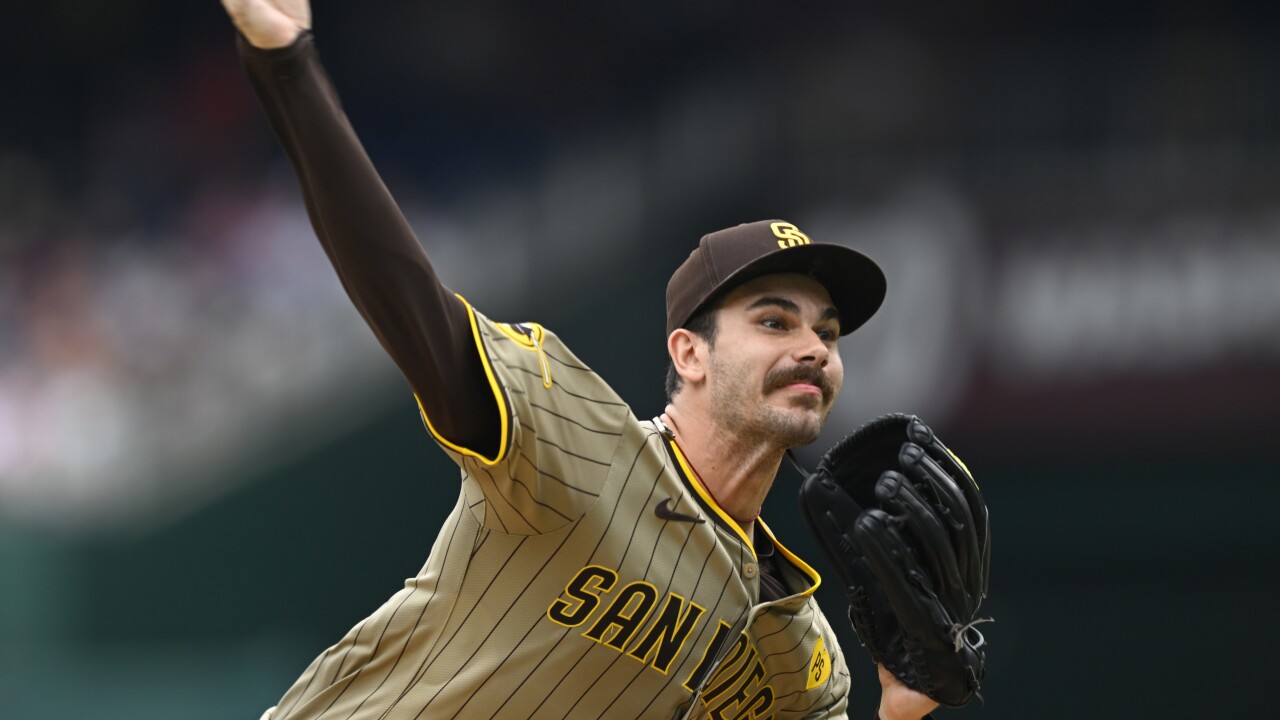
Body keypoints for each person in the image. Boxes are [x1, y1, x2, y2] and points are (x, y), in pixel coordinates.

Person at [220, 1, 940, 718]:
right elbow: (405, 295)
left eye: (829, 331)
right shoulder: (575, 441)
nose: (812, 348)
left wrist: (902, 712)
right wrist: (290, 67)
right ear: (689, 353)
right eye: (774, 321)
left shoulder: (796, 657)